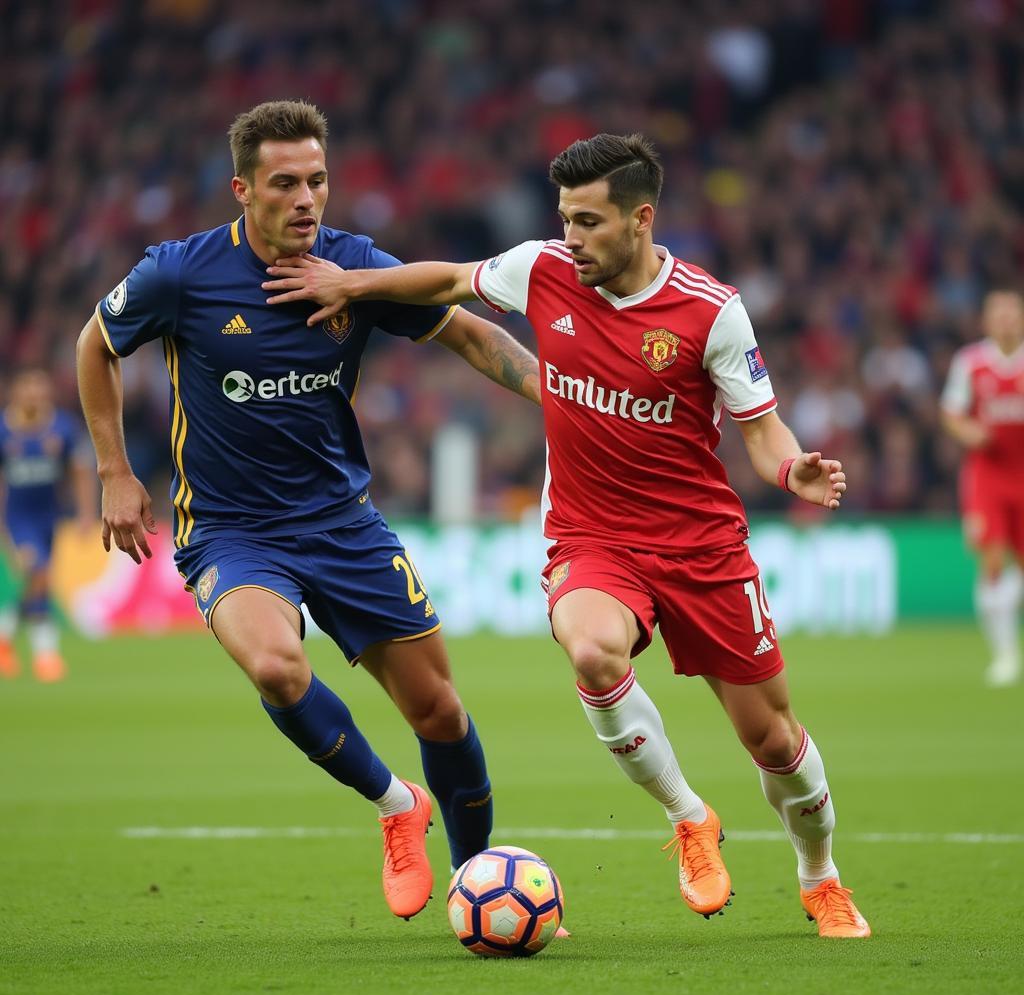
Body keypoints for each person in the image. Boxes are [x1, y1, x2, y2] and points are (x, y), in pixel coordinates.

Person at [262, 132, 871, 939]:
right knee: (591, 651)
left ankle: (819, 874)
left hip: (702, 548)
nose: (571, 238)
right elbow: (447, 279)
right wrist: (354, 282)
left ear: (641, 219)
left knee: (775, 741)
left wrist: (789, 469)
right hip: (592, 537)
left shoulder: (710, 310)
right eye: (565, 219)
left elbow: (763, 430)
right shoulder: (543, 269)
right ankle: (690, 819)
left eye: (588, 222)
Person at [76, 100, 542, 921]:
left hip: (341, 522)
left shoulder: (354, 268)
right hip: (231, 530)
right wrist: (113, 469)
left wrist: (560, 393)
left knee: (439, 709)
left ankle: (475, 886)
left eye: (318, 181)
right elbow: (95, 346)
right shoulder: (181, 273)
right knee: (277, 667)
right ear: (242, 191)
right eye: (285, 183)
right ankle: (396, 804)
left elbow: (467, 335)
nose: (306, 199)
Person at [941, 290, 1024, 688]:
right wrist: (968, 431)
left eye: (1013, 313)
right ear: (987, 321)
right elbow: (952, 412)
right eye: (999, 314)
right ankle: (1005, 655)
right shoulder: (971, 363)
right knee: (992, 562)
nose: (1007, 320)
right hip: (988, 476)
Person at [0, 367, 95, 683]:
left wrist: (85, 513)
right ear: (16, 392)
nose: (34, 394)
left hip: (49, 518)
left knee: (40, 579)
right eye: (27, 388)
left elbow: (80, 471)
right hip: (17, 517)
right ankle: (46, 656)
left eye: (40, 388)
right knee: (36, 571)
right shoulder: (4, 429)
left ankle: (6, 637)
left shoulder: (63, 428)